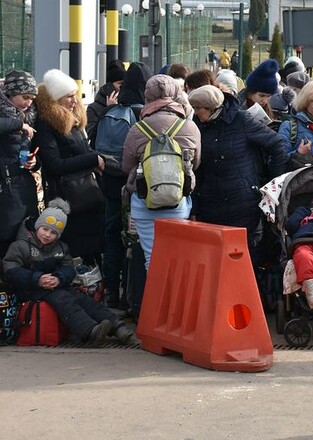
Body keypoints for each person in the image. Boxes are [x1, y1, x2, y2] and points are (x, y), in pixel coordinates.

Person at [2, 199, 133, 345]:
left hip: (56, 285)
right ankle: (90, 331)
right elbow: (11, 269)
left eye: (53, 232)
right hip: (31, 288)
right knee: (64, 300)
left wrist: (59, 278)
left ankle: (117, 325)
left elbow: (68, 268)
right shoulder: (21, 246)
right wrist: (37, 279)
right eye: (45, 229)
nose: (47, 235)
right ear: (38, 226)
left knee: (84, 300)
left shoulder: (61, 248)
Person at [188, 85, 286, 266]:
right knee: (215, 259)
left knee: (242, 258)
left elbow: (276, 144)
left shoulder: (241, 120)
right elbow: (196, 169)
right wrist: (194, 208)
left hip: (243, 203)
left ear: (211, 108)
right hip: (210, 204)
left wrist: (275, 183)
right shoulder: (196, 126)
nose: (195, 113)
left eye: (197, 109)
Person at [121, 74, 201, 269]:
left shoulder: (138, 129)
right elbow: (196, 163)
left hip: (144, 202)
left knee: (152, 259)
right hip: (178, 201)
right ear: (175, 94)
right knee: (176, 257)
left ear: (147, 96)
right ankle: (175, 299)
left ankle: (155, 299)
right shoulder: (190, 127)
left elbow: (126, 166)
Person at [33, 69, 106, 265]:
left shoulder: (71, 120)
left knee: (92, 246)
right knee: (76, 247)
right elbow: (55, 164)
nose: (75, 101)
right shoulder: (47, 125)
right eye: (69, 96)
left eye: (75, 95)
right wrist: (93, 159)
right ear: (56, 100)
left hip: (85, 194)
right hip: (69, 197)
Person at [95, 62, 152, 309]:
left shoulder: (111, 112)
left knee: (111, 236)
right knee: (134, 239)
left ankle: (110, 292)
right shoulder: (145, 114)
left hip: (109, 182)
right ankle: (132, 296)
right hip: (134, 186)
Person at [0, 70, 39, 263]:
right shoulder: (14, 119)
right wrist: (18, 124)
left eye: (31, 98)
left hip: (22, 182)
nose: (28, 103)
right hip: (6, 186)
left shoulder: (29, 115)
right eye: (25, 97)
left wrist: (33, 163)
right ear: (11, 93)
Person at [86, 59, 126, 144]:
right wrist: (110, 110)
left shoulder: (126, 104)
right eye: (120, 84)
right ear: (109, 86)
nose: (123, 88)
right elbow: (92, 136)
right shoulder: (93, 108)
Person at [238, 59, 280, 123]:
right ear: (250, 93)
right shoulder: (235, 108)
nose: (265, 101)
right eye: (261, 95)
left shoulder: (268, 110)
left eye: (268, 96)